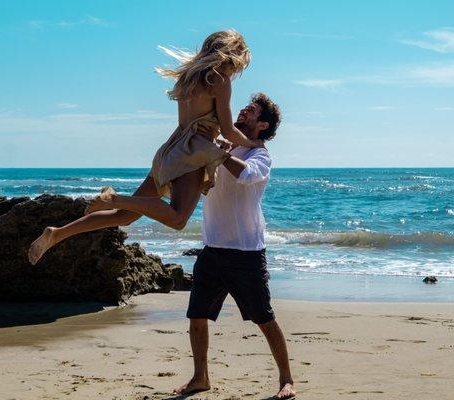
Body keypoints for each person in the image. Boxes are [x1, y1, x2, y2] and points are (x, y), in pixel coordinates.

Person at [28, 30, 260, 265]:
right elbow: (229, 129)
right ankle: (116, 198)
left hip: (169, 151)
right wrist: (253, 144)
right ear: (231, 56)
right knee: (178, 218)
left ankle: (57, 233)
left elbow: (184, 124)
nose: (235, 71)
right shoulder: (219, 80)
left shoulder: (187, 76)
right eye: (237, 66)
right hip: (192, 155)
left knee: (125, 217)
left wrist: (213, 139)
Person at [173, 93, 296, 399]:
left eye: (251, 110)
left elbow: (245, 176)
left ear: (262, 124)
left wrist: (219, 153)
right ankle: (200, 378)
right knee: (197, 316)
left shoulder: (260, 156)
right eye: (244, 106)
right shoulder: (224, 144)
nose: (243, 110)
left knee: (264, 318)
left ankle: (286, 380)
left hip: (245, 252)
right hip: (212, 247)